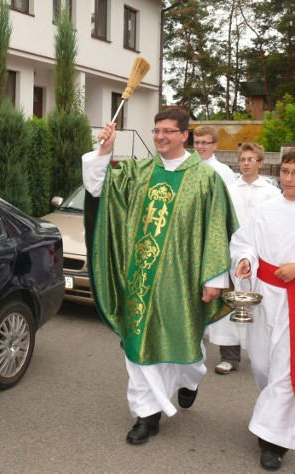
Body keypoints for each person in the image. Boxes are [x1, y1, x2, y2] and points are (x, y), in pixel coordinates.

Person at [82, 108, 238, 445]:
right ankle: (146, 416)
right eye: (156, 131)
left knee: (186, 346)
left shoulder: (205, 178)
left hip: (182, 280)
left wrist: (214, 278)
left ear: (185, 135)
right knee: (138, 345)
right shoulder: (138, 172)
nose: (160, 137)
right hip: (140, 278)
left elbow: (215, 230)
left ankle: (190, 380)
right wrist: (105, 151)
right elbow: (97, 187)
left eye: (168, 131)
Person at [229, 149, 295, 471]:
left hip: (293, 300)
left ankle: (274, 442)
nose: (289, 179)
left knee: (285, 370)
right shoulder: (266, 209)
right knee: (262, 363)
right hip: (265, 293)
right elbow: (244, 242)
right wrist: (244, 261)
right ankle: (272, 418)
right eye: (285, 172)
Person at [209, 142, 281, 376]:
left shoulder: (271, 192)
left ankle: (263, 354)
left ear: (260, 163)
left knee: (261, 307)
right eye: (243, 160)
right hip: (233, 253)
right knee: (231, 302)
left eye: (251, 159)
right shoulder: (230, 190)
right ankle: (229, 356)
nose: (246, 163)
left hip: (261, 257)